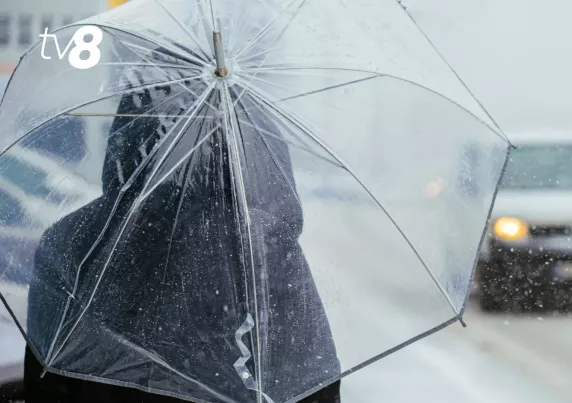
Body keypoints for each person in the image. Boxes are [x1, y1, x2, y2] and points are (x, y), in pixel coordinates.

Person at [23, 45, 341, 403]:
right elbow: (310, 382)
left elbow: (47, 378)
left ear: (129, 129)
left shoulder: (76, 242)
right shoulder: (260, 248)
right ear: (248, 140)